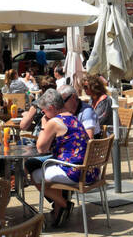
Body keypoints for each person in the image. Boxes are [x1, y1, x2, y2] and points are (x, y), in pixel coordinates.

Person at [27, 89, 97, 228]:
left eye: (44, 111)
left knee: (34, 175)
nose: (43, 114)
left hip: (73, 172)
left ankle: (64, 204)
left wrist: (44, 125)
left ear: (51, 108)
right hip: (89, 171)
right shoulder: (73, 117)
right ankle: (59, 207)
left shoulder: (54, 121)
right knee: (43, 168)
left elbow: (41, 148)